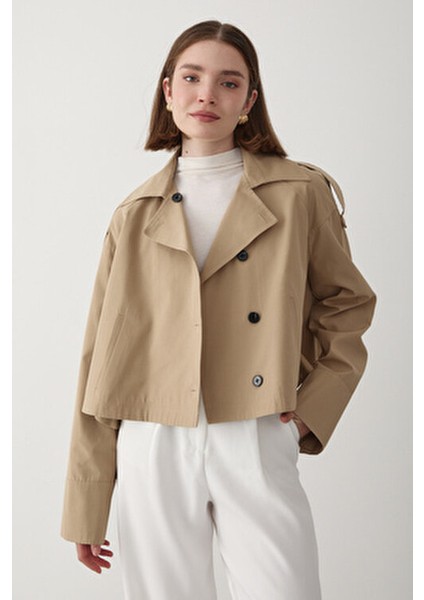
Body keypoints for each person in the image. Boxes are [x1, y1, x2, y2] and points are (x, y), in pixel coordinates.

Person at [61, 20, 376, 600]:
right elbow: (99, 354)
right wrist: (87, 499)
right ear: (168, 92)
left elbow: (348, 303)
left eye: (229, 82)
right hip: (152, 433)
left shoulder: (301, 193)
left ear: (249, 101)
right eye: (191, 78)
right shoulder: (134, 213)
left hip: (256, 427)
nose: (207, 94)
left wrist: (310, 410)